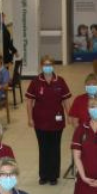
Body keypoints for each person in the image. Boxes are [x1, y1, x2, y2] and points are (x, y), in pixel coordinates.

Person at [26, 55, 72, 185]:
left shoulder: (60, 81)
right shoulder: (35, 82)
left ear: (53, 66)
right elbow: (29, 102)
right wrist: (30, 118)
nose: (47, 67)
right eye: (45, 65)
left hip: (57, 122)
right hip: (40, 121)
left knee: (55, 148)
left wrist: (69, 115)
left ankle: (53, 176)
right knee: (43, 148)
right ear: (41, 66)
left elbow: (66, 100)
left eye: (50, 64)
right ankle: (43, 175)